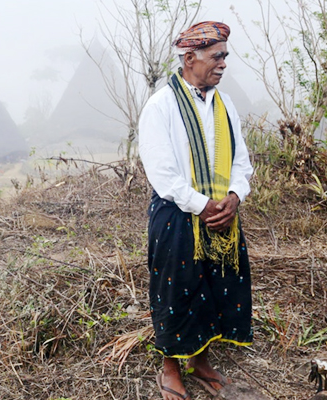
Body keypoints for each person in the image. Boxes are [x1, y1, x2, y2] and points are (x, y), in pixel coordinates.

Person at [138, 21, 254, 399]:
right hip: (177, 217)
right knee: (176, 292)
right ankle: (170, 368)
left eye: (225, 57)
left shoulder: (224, 104)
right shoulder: (161, 106)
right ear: (189, 58)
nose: (223, 64)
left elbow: (241, 161)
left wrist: (234, 197)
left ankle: (199, 362)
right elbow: (164, 175)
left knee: (214, 287)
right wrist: (203, 207)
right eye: (216, 56)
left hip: (222, 215)